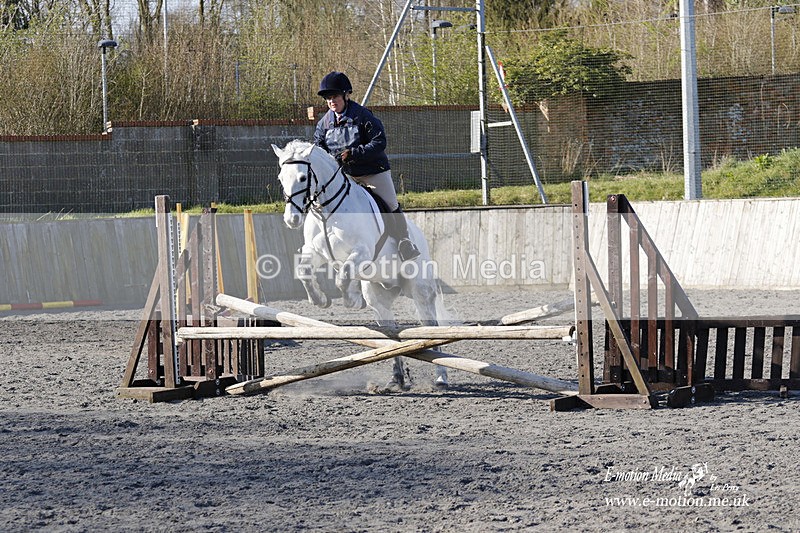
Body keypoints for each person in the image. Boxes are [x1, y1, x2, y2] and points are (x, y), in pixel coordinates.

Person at [313, 71, 420, 261]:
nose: (332, 101)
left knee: (390, 203)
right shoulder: (324, 124)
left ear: (346, 95)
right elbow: (319, 150)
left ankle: (404, 241)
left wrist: (354, 153)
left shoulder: (362, 115)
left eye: (335, 96)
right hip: (346, 176)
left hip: (372, 172)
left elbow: (379, 142)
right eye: (328, 98)